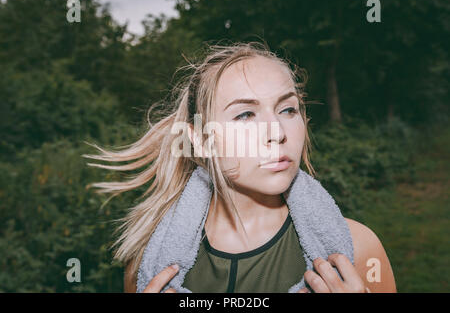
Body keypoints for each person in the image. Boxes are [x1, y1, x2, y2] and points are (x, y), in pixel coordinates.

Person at [84, 41, 397, 293]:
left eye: (288, 109)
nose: (277, 132)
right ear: (201, 140)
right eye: (246, 115)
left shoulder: (358, 250)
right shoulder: (146, 264)